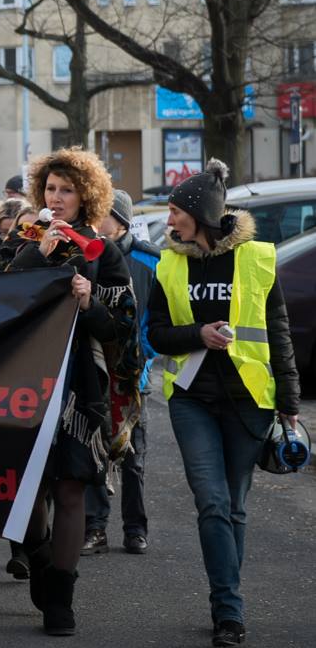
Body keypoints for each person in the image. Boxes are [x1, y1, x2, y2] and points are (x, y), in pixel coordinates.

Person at [146, 160, 300, 648]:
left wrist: (290, 402)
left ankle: (227, 604)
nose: (169, 222)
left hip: (249, 402)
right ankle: (228, 612)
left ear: (202, 214)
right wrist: (199, 335)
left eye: (175, 212)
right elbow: (155, 335)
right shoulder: (169, 264)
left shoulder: (257, 258)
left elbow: (278, 334)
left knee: (233, 507)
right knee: (211, 503)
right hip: (191, 399)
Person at [7, 147, 136, 637]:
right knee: (31, 485)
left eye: (67, 190)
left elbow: (121, 329)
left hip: (80, 382)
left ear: (87, 196)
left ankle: (62, 595)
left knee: (71, 486)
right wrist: (32, 255)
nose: (56, 198)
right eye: (50, 189)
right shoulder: (25, 238)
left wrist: (89, 303)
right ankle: (39, 556)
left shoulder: (108, 250)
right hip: (24, 379)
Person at [84, 189, 159, 556]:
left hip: (132, 375)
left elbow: (159, 318)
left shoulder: (150, 261)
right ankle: (95, 528)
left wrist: (140, 353)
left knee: (133, 455)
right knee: (93, 448)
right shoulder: (83, 253)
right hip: (93, 370)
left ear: (122, 220)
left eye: (103, 214)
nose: (96, 221)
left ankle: (135, 528)